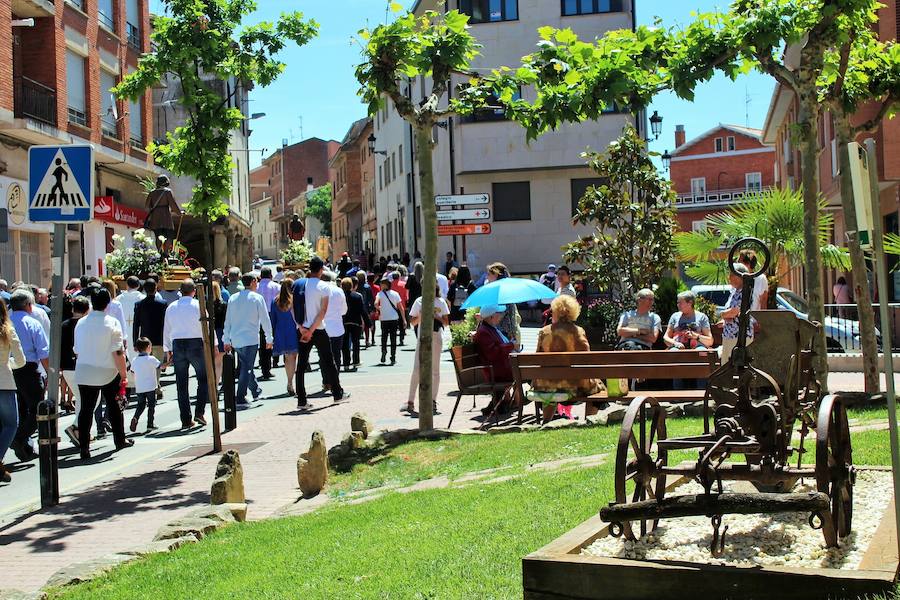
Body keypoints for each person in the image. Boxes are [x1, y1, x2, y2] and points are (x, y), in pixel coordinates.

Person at [75, 288, 132, 460]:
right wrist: (123, 374)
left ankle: (84, 447)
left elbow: (77, 349)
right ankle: (119, 439)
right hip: (108, 370)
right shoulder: (112, 322)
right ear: (108, 304)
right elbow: (118, 351)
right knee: (114, 407)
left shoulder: (81, 322)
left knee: (86, 409)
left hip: (85, 370)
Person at [530, 295, 604, 423]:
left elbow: (538, 358)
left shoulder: (544, 332)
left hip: (547, 385)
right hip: (575, 385)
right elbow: (587, 358)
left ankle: (546, 421)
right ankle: (589, 420)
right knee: (599, 387)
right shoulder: (578, 331)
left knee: (551, 380)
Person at [293, 256, 349, 410]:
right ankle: (337, 393)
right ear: (321, 270)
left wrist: (301, 327)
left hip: (302, 328)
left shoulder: (298, 285)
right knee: (329, 361)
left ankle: (302, 400)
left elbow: (293, 308)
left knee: (302, 364)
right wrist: (311, 330)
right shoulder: (324, 287)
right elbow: (323, 311)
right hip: (317, 328)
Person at [8, 290, 49, 462]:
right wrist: (50, 373)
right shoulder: (31, 323)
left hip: (9, 370)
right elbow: (43, 353)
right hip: (28, 369)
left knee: (22, 409)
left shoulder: (6, 323)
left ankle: (24, 447)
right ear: (28, 305)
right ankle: (19, 438)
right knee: (37, 409)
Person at [163, 280, 209, 428]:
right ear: (194, 291)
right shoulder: (197, 305)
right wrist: (212, 344)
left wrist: (167, 349)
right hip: (195, 343)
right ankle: (199, 411)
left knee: (181, 384)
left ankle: (186, 419)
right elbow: (206, 325)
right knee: (203, 378)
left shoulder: (171, 307)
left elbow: (167, 329)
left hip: (178, 343)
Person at [223, 273, 273, 409]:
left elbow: (228, 320)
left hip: (236, 338)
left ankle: (255, 391)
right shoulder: (257, 298)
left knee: (246, 366)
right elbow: (265, 319)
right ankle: (240, 396)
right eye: (256, 281)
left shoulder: (233, 298)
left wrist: (226, 338)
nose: (257, 284)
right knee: (246, 368)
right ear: (252, 282)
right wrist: (269, 337)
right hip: (250, 338)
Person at [404, 284, 450, 414]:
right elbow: (412, 321)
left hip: (436, 336)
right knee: (417, 368)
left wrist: (435, 316)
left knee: (435, 370)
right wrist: (422, 316)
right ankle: (411, 401)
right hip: (422, 336)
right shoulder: (419, 301)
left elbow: (446, 322)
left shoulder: (440, 302)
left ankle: (433, 400)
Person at [472, 304, 515, 416]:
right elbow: (493, 353)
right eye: (499, 314)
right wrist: (511, 346)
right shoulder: (484, 332)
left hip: (500, 367)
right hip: (497, 371)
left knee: (530, 369)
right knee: (530, 371)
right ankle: (539, 401)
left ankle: (502, 404)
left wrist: (510, 344)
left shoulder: (490, 329)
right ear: (491, 317)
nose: (501, 316)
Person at [0, 300, 25, 481]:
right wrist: (8, 364)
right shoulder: (7, 330)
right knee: (11, 424)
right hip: (4, 381)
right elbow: (21, 360)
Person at [61, 296, 91, 446]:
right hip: (82, 367)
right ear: (87, 310)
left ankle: (81, 431)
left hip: (67, 368)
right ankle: (77, 427)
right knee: (90, 401)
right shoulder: (85, 325)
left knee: (81, 399)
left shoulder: (63, 325)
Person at [720, 263, 755, 363]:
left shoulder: (745, 292)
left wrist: (723, 314)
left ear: (740, 276)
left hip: (739, 337)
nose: (729, 277)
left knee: (737, 367)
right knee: (726, 366)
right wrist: (726, 315)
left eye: (732, 275)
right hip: (729, 335)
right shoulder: (735, 292)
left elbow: (734, 312)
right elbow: (730, 313)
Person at [270, 279, 299, 396]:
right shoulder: (294, 300)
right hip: (293, 330)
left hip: (280, 331)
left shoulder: (275, 301)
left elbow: (273, 319)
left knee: (287, 358)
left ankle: (289, 381)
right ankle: (291, 382)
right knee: (294, 357)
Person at [130, 337, 163, 433]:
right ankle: (150, 424)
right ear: (148, 347)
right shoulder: (151, 359)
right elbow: (160, 366)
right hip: (151, 386)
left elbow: (132, 371)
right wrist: (169, 362)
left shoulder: (135, 360)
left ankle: (136, 417)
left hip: (140, 387)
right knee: (151, 405)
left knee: (140, 405)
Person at [486, 262, 521, 349]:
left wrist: (484, 316)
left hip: (502, 332)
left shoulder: (500, 291)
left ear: (496, 275)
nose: (487, 277)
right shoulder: (506, 289)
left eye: (489, 274)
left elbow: (499, 314)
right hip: (507, 332)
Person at [320, 271, 347, 382]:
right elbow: (344, 310)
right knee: (336, 355)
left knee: (322, 357)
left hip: (322, 328)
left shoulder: (318, 291)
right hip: (336, 328)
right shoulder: (338, 290)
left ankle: (326, 381)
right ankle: (335, 380)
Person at [144, 175, 181, 253]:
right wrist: (179, 213)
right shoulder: (167, 192)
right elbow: (173, 205)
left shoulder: (152, 193)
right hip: (166, 217)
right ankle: (166, 253)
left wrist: (154, 212)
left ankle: (159, 252)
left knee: (158, 235)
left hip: (155, 218)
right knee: (168, 235)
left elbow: (146, 208)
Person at [256, 267, 281, 380]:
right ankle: (273, 361)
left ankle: (264, 366)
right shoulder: (276, 287)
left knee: (262, 341)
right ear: (271, 276)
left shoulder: (255, 287)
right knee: (272, 339)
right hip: (273, 315)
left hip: (259, 316)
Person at [375, 275, 405, 365]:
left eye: (381, 284)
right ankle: (393, 356)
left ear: (385, 285)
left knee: (384, 338)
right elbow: (401, 307)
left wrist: (380, 308)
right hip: (394, 318)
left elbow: (375, 303)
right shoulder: (395, 294)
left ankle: (384, 351)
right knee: (393, 338)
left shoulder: (380, 294)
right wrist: (404, 319)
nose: (380, 286)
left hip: (384, 319)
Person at [342, 277, 370, 370]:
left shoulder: (341, 296)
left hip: (344, 322)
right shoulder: (357, 296)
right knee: (356, 343)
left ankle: (346, 363)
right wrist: (368, 323)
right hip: (355, 322)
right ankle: (355, 361)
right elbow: (362, 310)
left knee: (345, 344)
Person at [118, 276, 145, 365]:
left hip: (122, 334)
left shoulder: (118, 299)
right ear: (138, 286)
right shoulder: (143, 299)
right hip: (139, 333)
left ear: (127, 285)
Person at [391, 270, 409, 346]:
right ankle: (401, 339)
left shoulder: (390, 285)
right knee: (401, 323)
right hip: (402, 306)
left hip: (392, 307)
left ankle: (393, 338)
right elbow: (406, 296)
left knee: (393, 324)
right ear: (399, 277)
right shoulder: (404, 284)